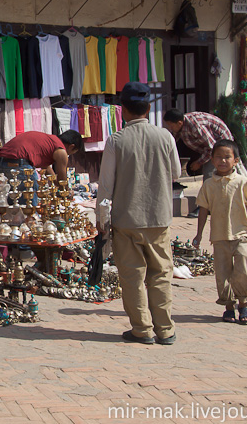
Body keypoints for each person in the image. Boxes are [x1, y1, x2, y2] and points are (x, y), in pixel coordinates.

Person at [97, 82, 181, 345]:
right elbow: (176, 173)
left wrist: (102, 222)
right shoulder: (165, 136)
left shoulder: (116, 140)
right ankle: (165, 329)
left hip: (127, 220)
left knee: (133, 276)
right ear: (148, 108)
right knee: (161, 274)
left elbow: (106, 188)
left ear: (123, 110)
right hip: (159, 218)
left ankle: (142, 329)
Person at [192, 139, 247, 326]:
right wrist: (199, 235)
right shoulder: (208, 184)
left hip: (241, 235)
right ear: (212, 160)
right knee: (222, 274)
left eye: (227, 157)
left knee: (242, 270)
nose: (222, 161)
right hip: (219, 236)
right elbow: (203, 211)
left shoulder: (243, 182)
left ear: (236, 160)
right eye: (218, 157)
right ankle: (229, 306)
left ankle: (244, 304)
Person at [162, 108, 234, 178]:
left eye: (171, 126)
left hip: (220, 145)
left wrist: (199, 163)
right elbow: (173, 140)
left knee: (210, 175)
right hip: (207, 147)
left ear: (179, 123)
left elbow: (211, 148)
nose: (169, 128)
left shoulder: (195, 126)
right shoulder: (180, 125)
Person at [0, 130, 83, 184]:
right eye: (72, 152)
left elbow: (47, 169)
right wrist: (66, 193)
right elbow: (62, 181)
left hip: (1, 163)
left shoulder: (50, 142)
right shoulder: (61, 150)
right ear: (71, 146)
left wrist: (55, 184)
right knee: (30, 199)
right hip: (19, 163)